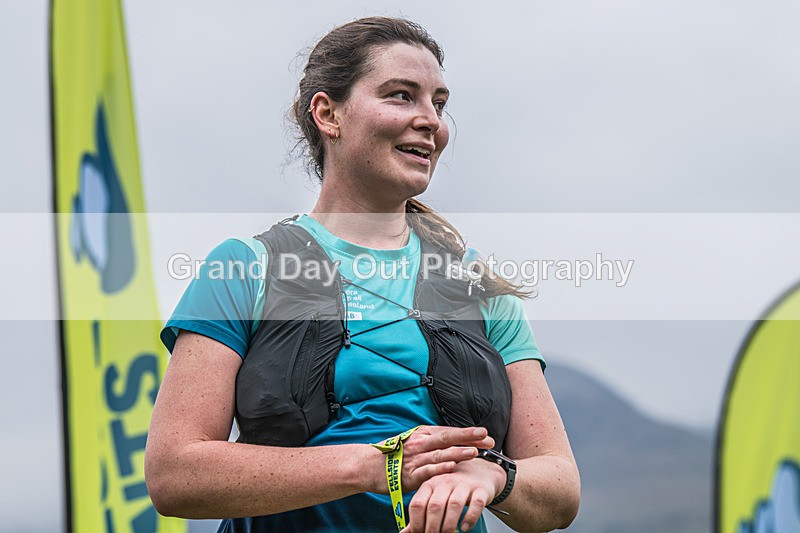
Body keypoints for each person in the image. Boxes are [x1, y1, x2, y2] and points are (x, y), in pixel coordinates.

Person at [145, 16, 580, 533]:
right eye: (401, 95)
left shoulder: (476, 283)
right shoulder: (244, 268)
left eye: (438, 104)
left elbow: (560, 488)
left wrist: (493, 477)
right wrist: (373, 467)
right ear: (328, 114)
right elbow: (173, 474)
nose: (431, 121)